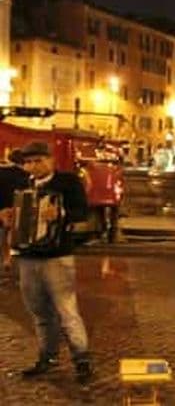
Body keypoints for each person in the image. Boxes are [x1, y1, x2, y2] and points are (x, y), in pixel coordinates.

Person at [5, 142, 93, 384]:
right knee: (39, 312)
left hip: (57, 256)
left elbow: (82, 212)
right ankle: (48, 357)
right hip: (28, 257)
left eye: (38, 160)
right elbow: (12, 215)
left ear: (51, 160)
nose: (33, 166)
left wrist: (61, 214)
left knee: (67, 311)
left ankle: (82, 359)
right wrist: (6, 216)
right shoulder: (21, 186)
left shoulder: (67, 182)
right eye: (29, 162)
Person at [0, 149, 30, 275]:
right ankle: (14, 261)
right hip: (17, 208)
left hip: (1, 209)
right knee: (15, 236)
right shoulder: (25, 174)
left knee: (2, 235)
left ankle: (5, 260)